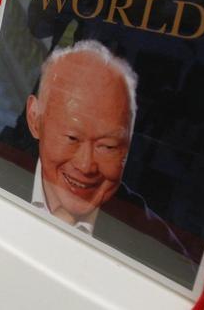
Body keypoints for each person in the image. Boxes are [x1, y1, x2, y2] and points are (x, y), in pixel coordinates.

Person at [26, 40, 193, 263]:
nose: (86, 166)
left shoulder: (156, 246)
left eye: (108, 146)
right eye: (72, 138)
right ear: (35, 120)